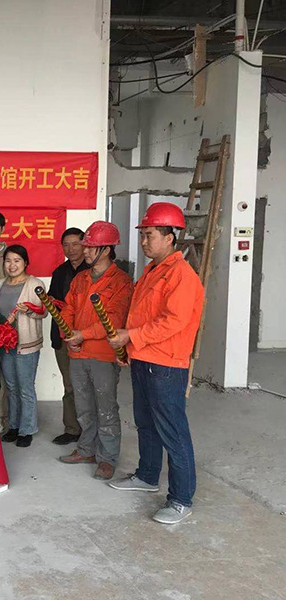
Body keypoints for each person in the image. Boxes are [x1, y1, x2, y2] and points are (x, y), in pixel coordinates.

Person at [107, 202, 203, 525]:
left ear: (169, 237)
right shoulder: (152, 271)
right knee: (146, 424)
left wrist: (131, 336)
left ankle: (181, 499)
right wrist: (128, 346)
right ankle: (148, 476)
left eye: (149, 235)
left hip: (166, 365)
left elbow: (173, 322)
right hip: (143, 359)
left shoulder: (181, 275)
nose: (144, 241)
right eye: (143, 235)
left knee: (173, 431)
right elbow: (141, 314)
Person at [57, 222, 133, 480]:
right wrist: (68, 334)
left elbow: (114, 319)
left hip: (103, 354)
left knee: (106, 407)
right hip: (78, 353)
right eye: (85, 246)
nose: (84, 251)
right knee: (84, 406)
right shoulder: (81, 278)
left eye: (90, 247)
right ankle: (87, 449)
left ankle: (107, 458)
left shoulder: (121, 282)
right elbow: (68, 308)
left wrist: (83, 335)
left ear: (107, 249)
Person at [0, 245, 47, 447]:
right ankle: (14, 426)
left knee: (25, 388)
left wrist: (30, 311)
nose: (12, 265)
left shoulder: (35, 284)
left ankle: (27, 430)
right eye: (8, 261)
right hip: (5, 345)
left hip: (26, 345)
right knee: (11, 387)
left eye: (17, 260)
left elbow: (45, 312)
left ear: (25, 263)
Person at [48, 227, 88, 445]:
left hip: (88, 338)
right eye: (66, 245)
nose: (71, 249)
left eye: (75, 244)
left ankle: (90, 432)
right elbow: (52, 302)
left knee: (89, 387)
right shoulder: (59, 272)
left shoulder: (93, 270)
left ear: (84, 244)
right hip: (63, 337)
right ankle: (72, 429)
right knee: (69, 385)